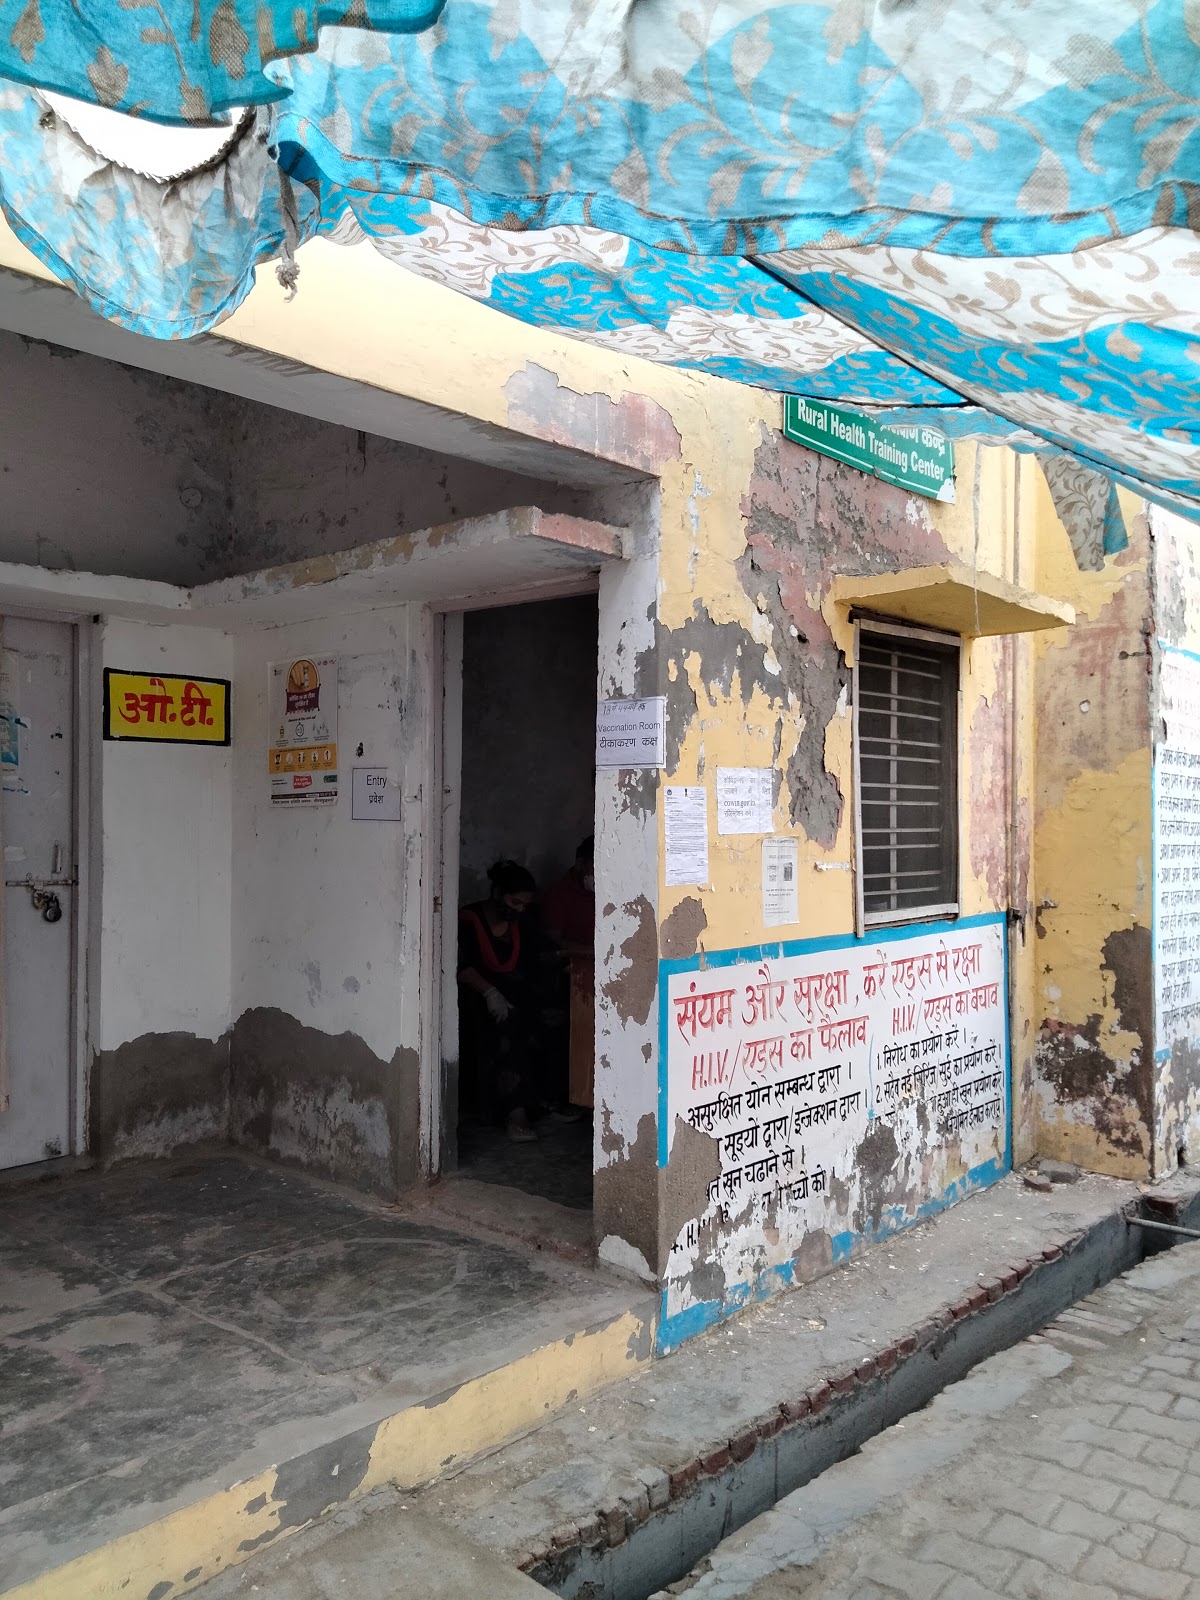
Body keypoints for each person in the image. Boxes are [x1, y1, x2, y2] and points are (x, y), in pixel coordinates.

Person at [458, 860, 541, 1143]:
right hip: (478, 997)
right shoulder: (468, 920)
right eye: (514, 902)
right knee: (505, 1032)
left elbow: (535, 958)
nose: (519, 909)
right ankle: (515, 1116)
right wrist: (491, 993)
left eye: (524, 905)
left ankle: (543, 1104)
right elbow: (461, 966)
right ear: (497, 893)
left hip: (513, 995)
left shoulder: (521, 922)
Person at [543, 837, 596, 1111]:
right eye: (594, 866)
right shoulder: (559, 894)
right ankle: (571, 1098)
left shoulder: (611, 888)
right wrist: (593, 952)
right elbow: (554, 939)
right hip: (571, 971)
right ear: (580, 864)